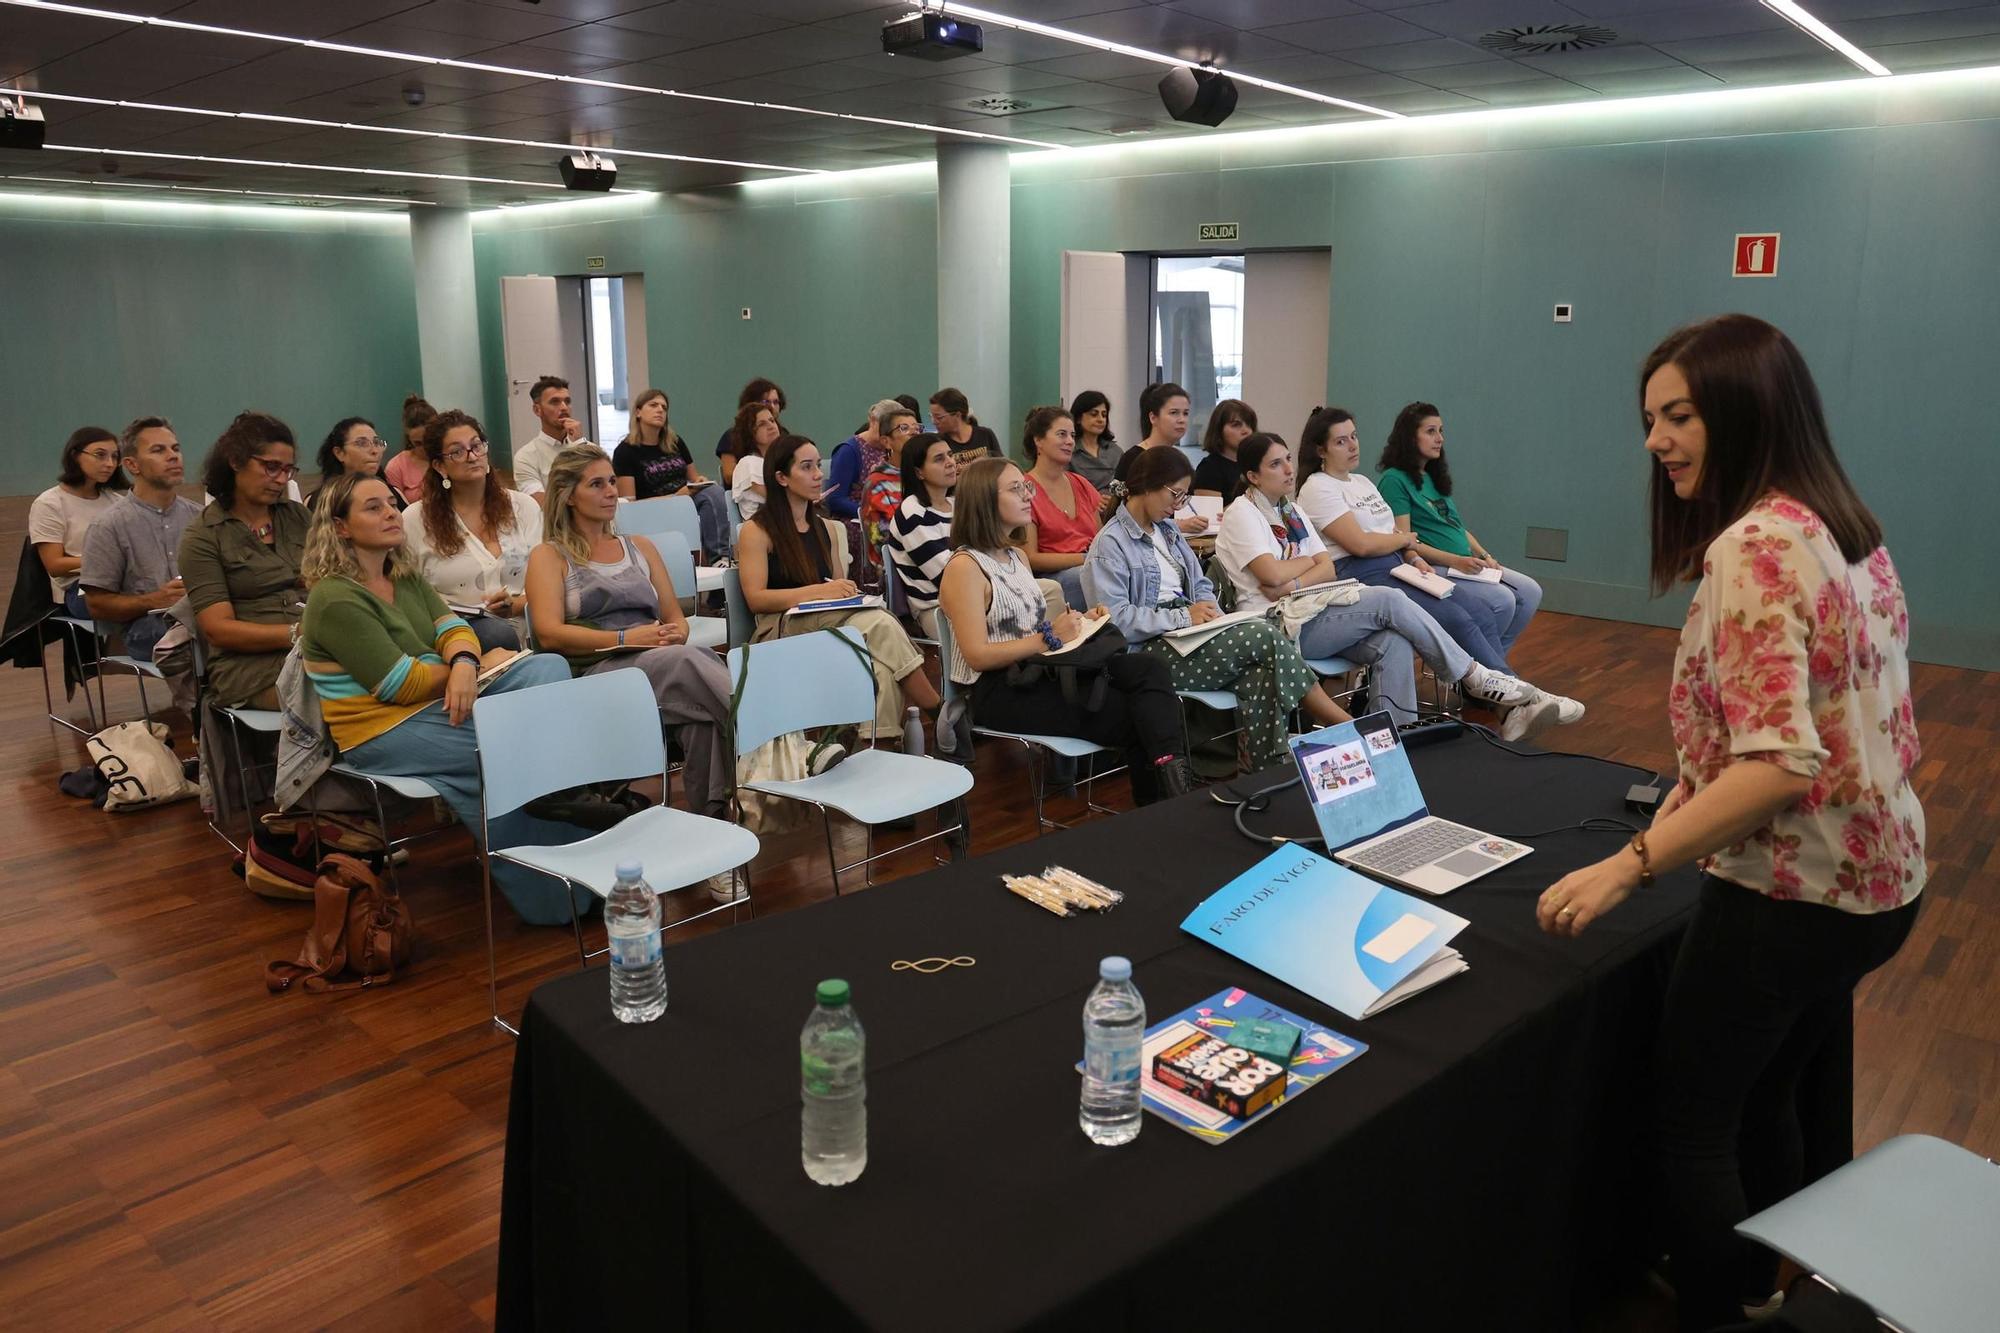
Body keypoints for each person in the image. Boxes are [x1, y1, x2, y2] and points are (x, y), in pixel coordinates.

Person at [1535, 316, 1925, 1331]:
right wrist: (1673, 814)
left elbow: (1779, 763)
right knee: (1767, 1096)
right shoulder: (1843, 526)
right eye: (1649, 418)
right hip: (1878, 885)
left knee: (1692, 1124)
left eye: (1679, 416)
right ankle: (1763, 1283)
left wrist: (1631, 863)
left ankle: (1715, 1307)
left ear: (1746, 411)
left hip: (1791, 894)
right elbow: (1832, 727)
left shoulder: (1751, 547)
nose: (1656, 440)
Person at [297, 472, 585, 926]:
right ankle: (557, 882)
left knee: (548, 668)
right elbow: (398, 684)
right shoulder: (334, 599)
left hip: (438, 701)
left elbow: (453, 628)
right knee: (499, 749)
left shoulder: (402, 574)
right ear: (340, 527)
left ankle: (564, 810)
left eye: (391, 503)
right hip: (382, 730)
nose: (392, 512)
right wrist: (469, 666)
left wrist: (469, 665)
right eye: (373, 507)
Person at [1216, 433, 1576, 739]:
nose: (1289, 470)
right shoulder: (1241, 513)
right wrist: (1301, 570)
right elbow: (1270, 575)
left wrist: (1295, 575)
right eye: (1276, 464)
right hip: (1276, 625)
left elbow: (1323, 567)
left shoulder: (1290, 511)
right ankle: (1476, 677)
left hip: (1312, 605)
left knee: (1393, 641)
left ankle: (1394, 741)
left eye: (1289, 460)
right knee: (1388, 599)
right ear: (1252, 476)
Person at [525, 446, 738, 881]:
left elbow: (675, 617)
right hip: (597, 678)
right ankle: (777, 744)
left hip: (658, 664)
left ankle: (711, 846)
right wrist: (624, 638)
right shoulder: (550, 557)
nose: (609, 492)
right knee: (688, 663)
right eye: (596, 484)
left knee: (701, 719)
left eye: (610, 481)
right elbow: (548, 633)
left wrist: (674, 630)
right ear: (568, 495)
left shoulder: (638, 547)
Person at [939, 458, 1193, 802]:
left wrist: (1082, 622)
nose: (1029, 496)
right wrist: (1048, 636)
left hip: (1042, 669)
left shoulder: (1015, 557)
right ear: (983, 499)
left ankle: (1174, 793)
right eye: (1017, 489)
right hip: (999, 691)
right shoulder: (964, 567)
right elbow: (977, 655)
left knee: (1149, 669)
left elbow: (1032, 631)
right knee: (1138, 715)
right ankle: (1170, 805)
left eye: (1027, 487)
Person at [1085, 445, 1350, 770]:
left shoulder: (1168, 531)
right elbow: (1116, 621)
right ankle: (1340, 723)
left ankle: (1267, 774)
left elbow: (1200, 584)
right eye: (1176, 495)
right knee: (1263, 635)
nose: (1178, 506)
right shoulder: (1110, 543)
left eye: (1184, 497)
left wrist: (1208, 611)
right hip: (1146, 651)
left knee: (1260, 674)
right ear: (1146, 484)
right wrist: (1185, 615)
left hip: (1189, 633)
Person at [1298, 406, 1563, 691]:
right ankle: (1509, 690)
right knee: (1459, 615)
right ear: (1320, 450)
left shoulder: (1362, 482)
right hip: (1362, 572)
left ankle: (1499, 689)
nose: (1353, 445)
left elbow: (1394, 534)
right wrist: (1406, 543)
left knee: (1480, 610)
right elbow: (1362, 544)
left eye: (1354, 436)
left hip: (1398, 563)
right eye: (1341, 441)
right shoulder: (1318, 487)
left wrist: (1411, 556)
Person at [737, 434, 940, 740]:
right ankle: (937, 709)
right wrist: (818, 592)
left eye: (818, 465)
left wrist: (847, 593)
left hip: (824, 622)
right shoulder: (756, 530)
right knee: (881, 624)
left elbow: (832, 587)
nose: (818, 474)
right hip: (780, 627)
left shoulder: (824, 527)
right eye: (807, 467)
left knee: (881, 668)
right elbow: (756, 599)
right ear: (781, 477)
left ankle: (876, 751)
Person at [1377, 401, 1543, 661]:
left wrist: (1485, 555)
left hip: (1466, 563)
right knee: (1503, 601)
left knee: (1530, 591)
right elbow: (1404, 542)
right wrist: (1457, 561)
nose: (1439, 439)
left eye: (1441, 431)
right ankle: (1484, 670)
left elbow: (1458, 528)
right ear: (1410, 437)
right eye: (1430, 431)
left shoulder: (1432, 476)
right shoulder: (1395, 479)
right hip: (1435, 567)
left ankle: (1489, 666)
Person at [178, 412, 311, 710]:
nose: (281, 479)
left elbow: (331, 577)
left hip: (315, 648)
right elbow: (218, 630)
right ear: (235, 461)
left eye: (288, 470)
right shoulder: (203, 536)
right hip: (251, 670)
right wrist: (299, 634)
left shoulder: (297, 516)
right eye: (271, 467)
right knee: (348, 689)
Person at [405, 409, 542, 653]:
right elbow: (409, 598)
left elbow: (547, 581)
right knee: (496, 635)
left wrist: (516, 605)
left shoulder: (523, 507)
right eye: (457, 452)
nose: (472, 456)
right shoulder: (416, 519)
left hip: (529, 625)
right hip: (458, 635)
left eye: (477, 446)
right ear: (439, 466)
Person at [80, 416, 199, 666]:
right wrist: (155, 599)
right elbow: (96, 605)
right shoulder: (108, 526)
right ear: (132, 465)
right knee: (211, 634)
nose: (173, 456)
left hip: (199, 615)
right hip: (144, 626)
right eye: (158, 450)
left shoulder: (200, 517)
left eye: (175, 449)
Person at [613, 387, 729, 560]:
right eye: (653, 405)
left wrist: (699, 481)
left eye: (664, 407)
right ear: (638, 412)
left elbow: (693, 477)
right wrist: (675, 497)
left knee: (714, 492)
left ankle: (721, 558)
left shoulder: (675, 442)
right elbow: (629, 503)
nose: (660, 409)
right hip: (653, 511)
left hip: (685, 502)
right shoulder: (625, 451)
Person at [30, 426, 128, 613]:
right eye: (100, 455)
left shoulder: (118, 502)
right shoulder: (50, 503)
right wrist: (107, 560)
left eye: (115, 457)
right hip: (80, 588)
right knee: (141, 604)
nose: (109, 463)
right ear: (75, 456)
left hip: (124, 581)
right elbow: (55, 565)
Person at [1020, 406, 1103, 611]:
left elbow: (1103, 539)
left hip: (1090, 567)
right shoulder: (1024, 489)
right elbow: (1031, 557)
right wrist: (1085, 559)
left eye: (1072, 435)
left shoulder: (1082, 484)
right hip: (1052, 578)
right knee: (1092, 577)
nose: (1070, 441)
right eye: (1061, 434)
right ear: (1038, 440)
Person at [884, 432, 959, 637]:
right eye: (939, 459)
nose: (950, 462)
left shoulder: (958, 504)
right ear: (919, 472)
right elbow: (946, 576)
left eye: (950, 455)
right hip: (939, 609)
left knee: (1045, 590)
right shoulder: (912, 513)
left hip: (974, 595)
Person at [1113, 384, 1205, 541]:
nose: (1182, 420)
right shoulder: (1134, 458)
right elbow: (1124, 513)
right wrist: (1179, 525)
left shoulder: (1178, 459)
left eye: (1186, 413)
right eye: (1174, 413)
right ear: (1153, 417)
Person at [825, 399, 917, 522]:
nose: (886, 430)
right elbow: (835, 499)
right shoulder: (849, 451)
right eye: (883, 425)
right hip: (859, 523)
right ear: (872, 421)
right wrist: (872, 511)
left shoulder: (896, 449)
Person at [512, 376, 587, 497]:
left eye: (567, 401)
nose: (564, 407)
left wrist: (579, 446)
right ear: (537, 410)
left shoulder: (583, 446)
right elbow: (541, 503)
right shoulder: (525, 457)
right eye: (555, 402)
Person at [309, 417, 402, 511]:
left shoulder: (394, 493)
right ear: (339, 453)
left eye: (376, 442)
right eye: (362, 443)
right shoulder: (320, 501)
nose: (375, 451)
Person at [716, 378, 784, 487]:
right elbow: (729, 476)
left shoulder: (783, 434)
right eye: (766, 402)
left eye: (776, 402)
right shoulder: (732, 436)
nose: (772, 407)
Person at [1192, 398, 1257, 502]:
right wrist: (1250, 501)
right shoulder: (1209, 468)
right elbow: (1210, 515)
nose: (1246, 431)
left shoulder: (1254, 464)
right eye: (1236, 425)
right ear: (1219, 430)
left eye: (1249, 424)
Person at [728, 400, 781, 522]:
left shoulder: (778, 460)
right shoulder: (748, 463)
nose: (771, 426)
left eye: (772, 420)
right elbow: (775, 497)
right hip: (763, 527)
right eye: (762, 424)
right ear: (749, 432)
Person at [381, 393, 436, 504]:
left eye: (429, 440)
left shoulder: (450, 457)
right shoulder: (396, 467)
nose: (425, 448)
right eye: (418, 443)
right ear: (409, 438)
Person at [1067, 389, 1122, 490]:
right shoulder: (1069, 451)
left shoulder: (1115, 451)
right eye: (1094, 414)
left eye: (1104, 415)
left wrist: (1113, 499)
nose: (1100, 419)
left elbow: (1125, 485)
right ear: (1078, 418)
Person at [929, 387, 1000, 465]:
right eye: (932, 417)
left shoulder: (985, 434)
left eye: (939, 417)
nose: (934, 422)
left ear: (957, 415)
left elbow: (1001, 466)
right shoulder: (938, 442)